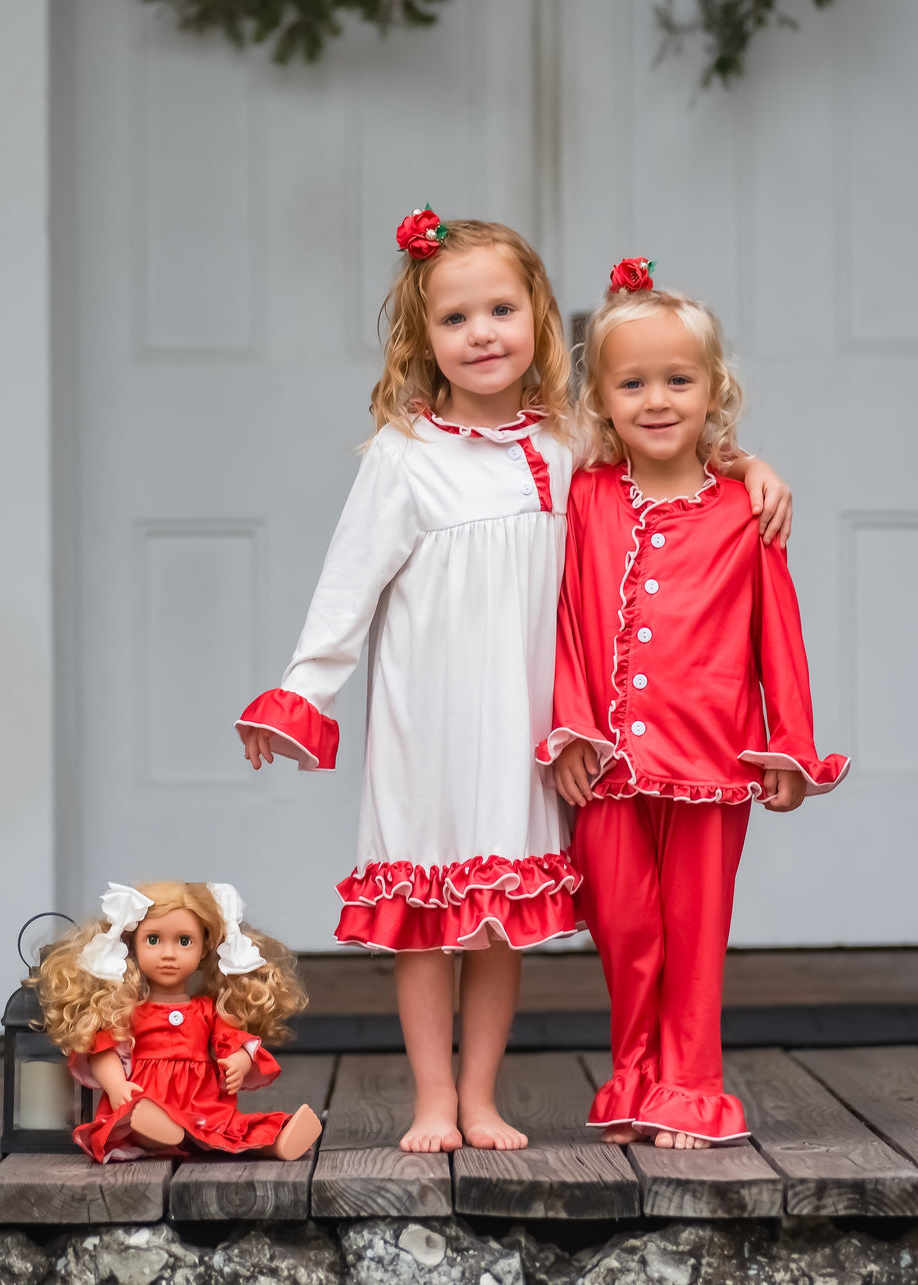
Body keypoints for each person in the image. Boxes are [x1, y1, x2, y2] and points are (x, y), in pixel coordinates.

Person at [238, 215, 791, 1154]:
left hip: (529, 726)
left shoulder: (569, 443)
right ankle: (432, 1100)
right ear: (424, 338)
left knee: (497, 920)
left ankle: (482, 1096)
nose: (482, 333)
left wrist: (748, 464)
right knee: (425, 921)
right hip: (426, 723)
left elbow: (665, 456)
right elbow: (347, 585)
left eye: (500, 309)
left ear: (537, 316)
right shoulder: (405, 455)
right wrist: (303, 690)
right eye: (456, 318)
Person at [540, 258, 849, 1150]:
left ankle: (689, 1086)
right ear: (601, 400)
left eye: (679, 380)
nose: (657, 400)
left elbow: (778, 634)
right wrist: (569, 727)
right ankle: (634, 1077)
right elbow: (561, 622)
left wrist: (792, 741)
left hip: (714, 757)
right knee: (625, 927)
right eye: (632, 383)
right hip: (606, 758)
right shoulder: (583, 499)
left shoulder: (746, 510)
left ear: (715, 389)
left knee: (695, 931)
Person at [35, 880, 321, 1163]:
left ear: (204, 948)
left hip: (202, 1105)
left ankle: (278, 1142)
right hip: (145, 1098)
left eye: (184, 941)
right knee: (138, 1117)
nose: (168, 954)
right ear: (132, 946)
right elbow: (104, 1049)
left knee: (227, 1131)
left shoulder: (208, 1009)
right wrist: (116, 1085)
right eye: (153, 940)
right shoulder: (126, 1010)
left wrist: (239, 1063)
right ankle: (158, 1133)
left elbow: (235, 1042)